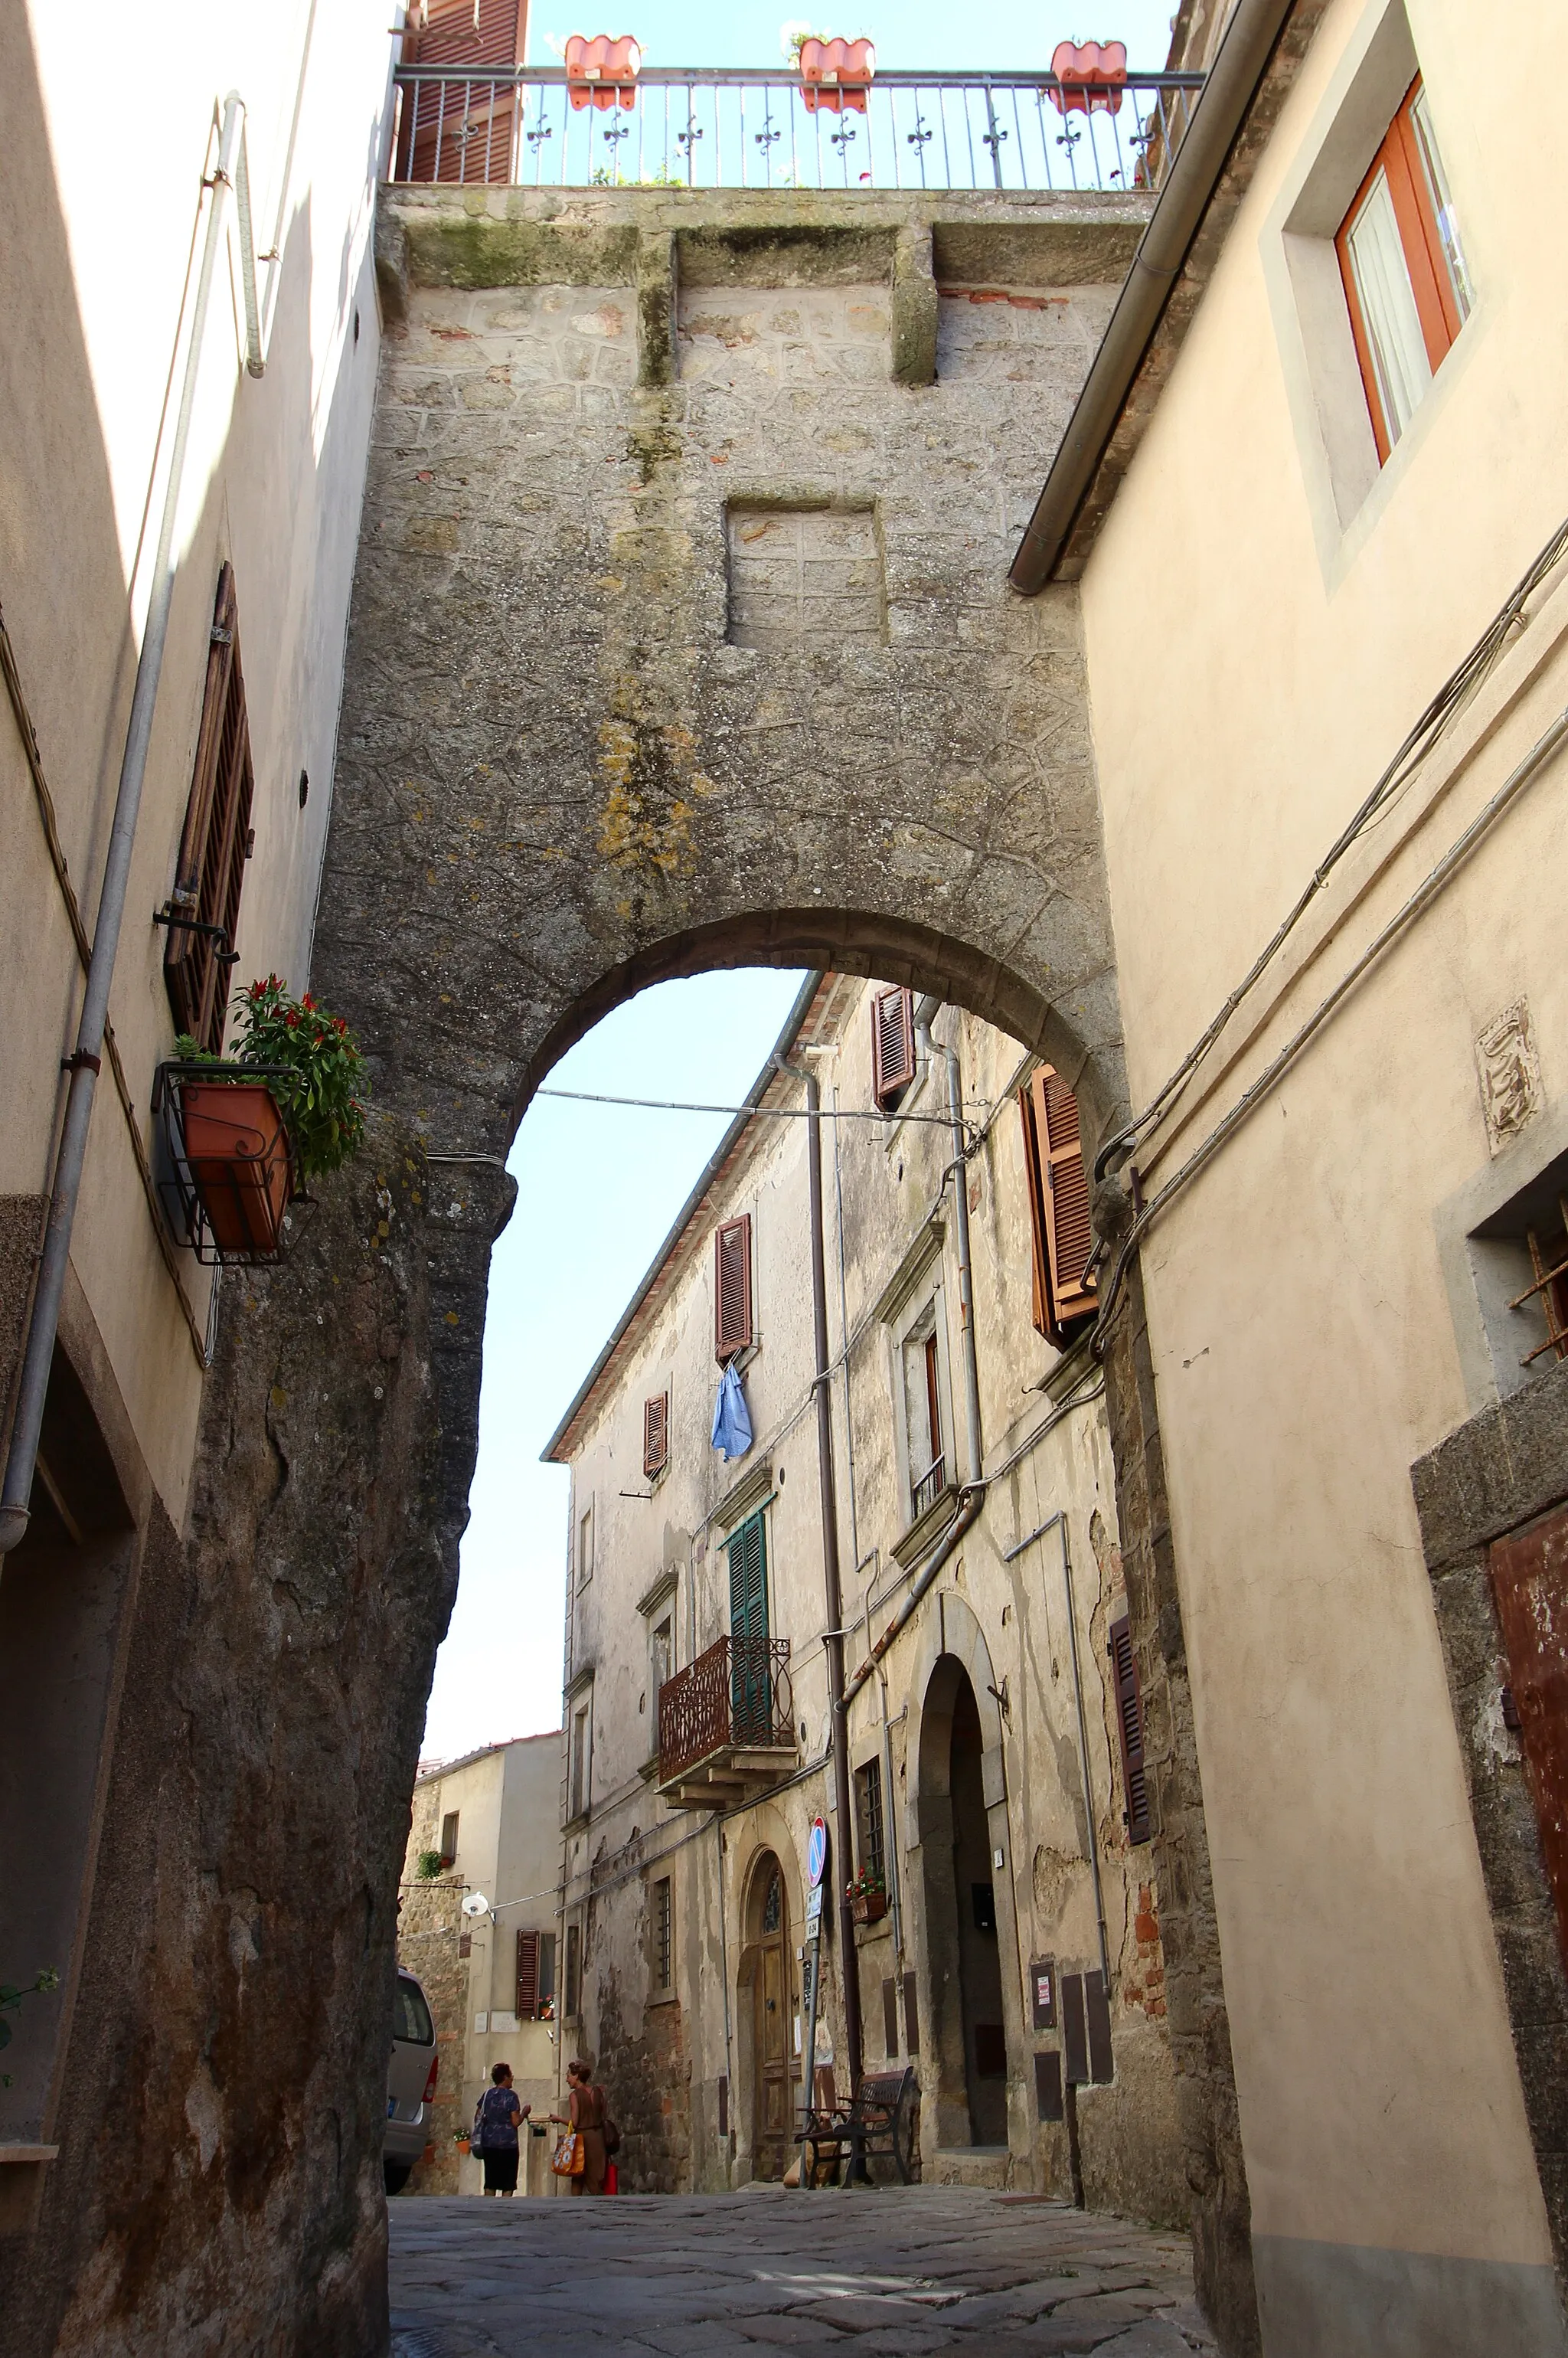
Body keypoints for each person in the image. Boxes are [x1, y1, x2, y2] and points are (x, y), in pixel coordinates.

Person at [550, 2056, 607, 2196]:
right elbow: (604, 2114)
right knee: (596, 2177)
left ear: (576, 2076)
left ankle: (575, 2207)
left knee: (577, 2175)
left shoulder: (575, 2095)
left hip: (582, 2139)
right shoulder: (598, 2091)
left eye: (569, 2076)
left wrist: (558, 2119)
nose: (567, 2079)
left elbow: (574, 2122)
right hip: (599, 2137)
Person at [474, 2062, 529, 2196]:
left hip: (489, 2144)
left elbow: (477, 2117)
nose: (512, 2078)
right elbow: (515, 2122)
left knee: (491, 2181)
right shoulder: (511, 2096)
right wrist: (525, 2113)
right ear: (505, 2077)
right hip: (508, 2145)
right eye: (510, 2075)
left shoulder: (487, 2095)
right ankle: (504, 2209)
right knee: (508, 2183)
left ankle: (488, 2210)